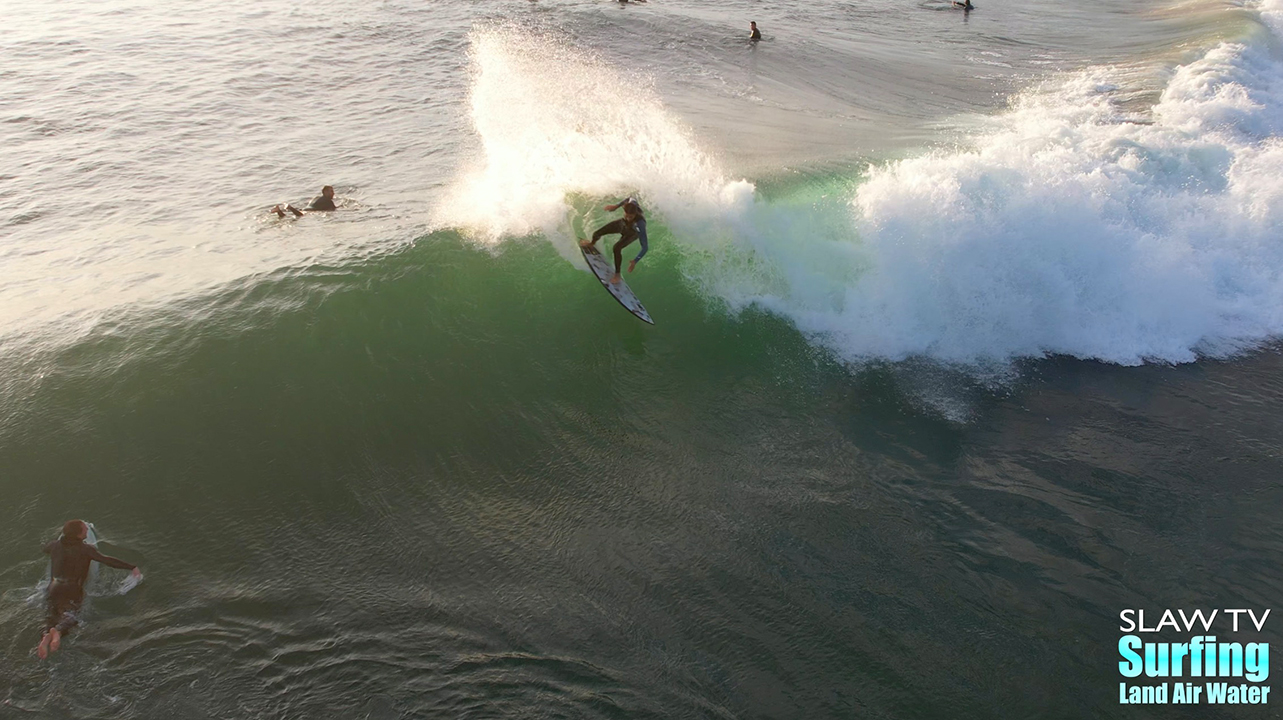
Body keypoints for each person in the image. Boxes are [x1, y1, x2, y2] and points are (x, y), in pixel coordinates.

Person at [36, 520, 141, 660]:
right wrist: (131, 566)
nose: (87, 530)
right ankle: (58, 632)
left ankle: (46, 634)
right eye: (84, 529)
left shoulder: (54, 546)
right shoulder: (86, 549)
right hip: (72, 589)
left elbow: (44, 548)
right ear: (79, 535)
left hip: (54, 588)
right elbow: (107, 560)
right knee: (71, 616)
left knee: (51, 614)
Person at [580, 198, 649, 285]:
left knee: (616, 248)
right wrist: (616, 206)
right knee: (597, 233)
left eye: (630, 217)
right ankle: (592, 243)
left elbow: (645, 247)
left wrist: (635, 261)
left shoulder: (640, 224)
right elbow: (629, 198)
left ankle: (617, 275)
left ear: (635, 214)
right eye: (626, 215)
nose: (628, 218)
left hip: (633, 233)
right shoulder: (632, 204)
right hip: (623, 225)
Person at [272, 185, 337, 218]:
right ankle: (290, 208)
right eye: (331, 191)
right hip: (310, 211)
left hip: (305, 208)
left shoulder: (317, 198)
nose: (333, 193)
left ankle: (279, 211)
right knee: (300, 216)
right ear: (325, 192)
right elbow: (334, 209)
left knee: (287, 216)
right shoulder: (328, 201)